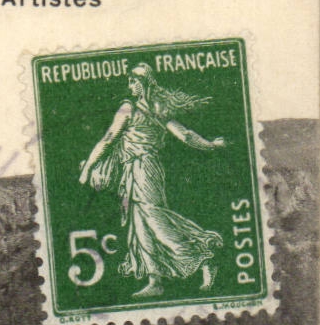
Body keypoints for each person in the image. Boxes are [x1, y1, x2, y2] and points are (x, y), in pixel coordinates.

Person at [78, 63, 227, 297]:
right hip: (133, 170)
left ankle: (203, 257)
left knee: (155, 218)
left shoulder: (136, 109)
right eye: (129, 81)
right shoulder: (155, 109)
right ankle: (154, 280)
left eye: (134, 81)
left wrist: (88, 166)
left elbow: (183, 135)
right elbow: (184, 135)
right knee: (139, 224)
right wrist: (210, 145)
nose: (130, 86)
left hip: (145, 168)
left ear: (145, 83)